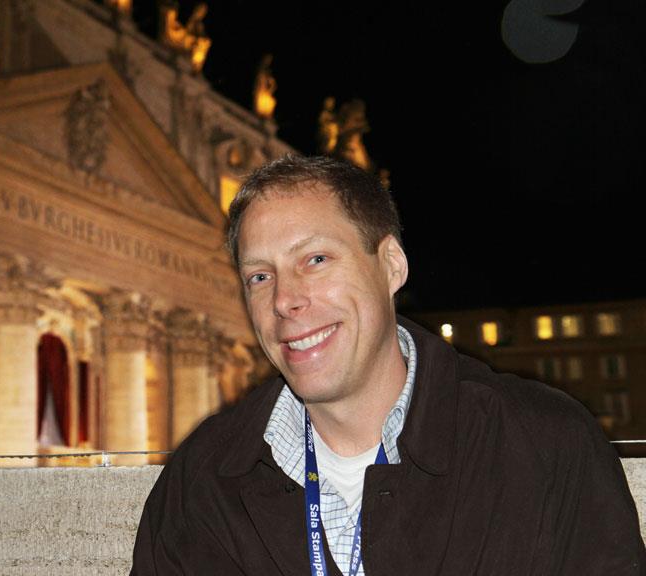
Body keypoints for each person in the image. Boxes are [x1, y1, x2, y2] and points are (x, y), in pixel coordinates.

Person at [132, 155, 645, 575]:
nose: (285, 300)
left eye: (316, 260)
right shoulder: (201, 478)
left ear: (392, 265)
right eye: (260, 277)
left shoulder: (545, 443)